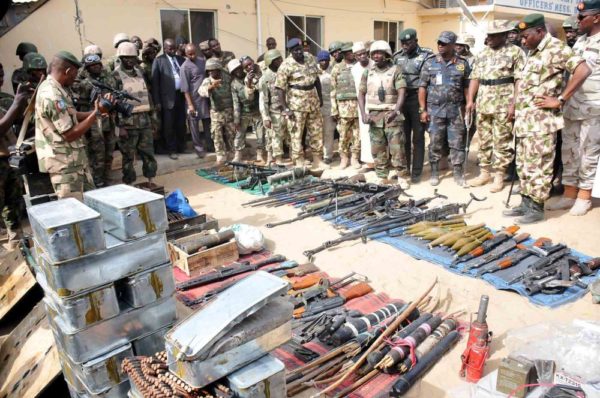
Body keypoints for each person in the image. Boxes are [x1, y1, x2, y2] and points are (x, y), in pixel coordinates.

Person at [502, 13, 591, 224]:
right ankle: (526, 203)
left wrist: (559, 99)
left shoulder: (557, 49)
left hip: (541, 122)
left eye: (526, 36)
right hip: (525, 120)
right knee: (524, 164)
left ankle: (536, 208)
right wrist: (515, 105)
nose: (523, 41)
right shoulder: (532, 52)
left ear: (540, 31)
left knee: (538, 165)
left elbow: (583, 70)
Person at [548, 1, 600, 216]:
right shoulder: (579, 41)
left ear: (596, 17)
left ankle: (584, 197)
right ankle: (569, 194)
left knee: (588, 153)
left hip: (594, 107)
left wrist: (560, 98)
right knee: (568, 151)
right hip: (572, 107)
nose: (577, 22)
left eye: (582, 17)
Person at [35, 51, 108, 199]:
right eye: (74, 75)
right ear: (67, 71)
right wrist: (94, 115)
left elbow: (73, 115)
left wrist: (97, 111)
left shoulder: (58, 88)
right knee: (75, 213)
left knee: (92, 204)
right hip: (64, 166)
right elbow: (69, 134)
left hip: (75, 162)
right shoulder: (52, 95)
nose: (76, 79)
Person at [467, 20, 525, 193]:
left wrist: (514, 104)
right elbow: (475, 77)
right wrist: (471, 100)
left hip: (503, 103)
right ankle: (484, 172)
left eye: (493, 35)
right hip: (484, 102)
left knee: (502, 141)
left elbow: (519, 80)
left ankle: (499, 175)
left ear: (504, 35)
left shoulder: (516, 52)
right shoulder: (482, 53)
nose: (489, 38)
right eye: (488, 35)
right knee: (483, 140)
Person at [419, 31, 471, 187]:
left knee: (457, 142)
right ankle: (434, 172)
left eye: (444, 43)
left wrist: (468, 103)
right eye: (439, 43)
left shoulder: (462, 63)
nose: (440, 46)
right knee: (435, 142)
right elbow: (422, 87)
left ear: (453, 45)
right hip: (435, 110)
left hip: (455, 110)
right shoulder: (430, 62)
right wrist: (423, 110)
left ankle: (457, 172)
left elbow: (466, 86)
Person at [358, 40, 409, 188]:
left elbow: (402, 92)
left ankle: (402, 176)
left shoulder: (396, 70)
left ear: (387, 54)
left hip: (391, 115)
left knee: (397, 148)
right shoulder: (368, 72)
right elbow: (361, 94)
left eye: (379, 53)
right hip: (374, 116)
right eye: (374, 53)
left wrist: (396, 110)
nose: (376, 56)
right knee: (377, 149)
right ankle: (382, 176)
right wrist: (363, 113)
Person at [275, 38, 327, 169]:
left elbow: (316, 80)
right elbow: (279, 89)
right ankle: (299, 160)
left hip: (313, 101)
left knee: (316, 131)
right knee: (296, 133)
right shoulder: (286, 65)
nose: (299, 52)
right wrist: (285, 108)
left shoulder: (310, 58)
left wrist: (320, 97)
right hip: (296, 104)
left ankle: (317, 159)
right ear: (290, 51)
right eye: (295, 50)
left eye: (300, 49)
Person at [113, 42, 157, 185]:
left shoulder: (140, 72)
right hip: (127, 123)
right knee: (128, 157)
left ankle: (150, 181)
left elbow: (147, 95)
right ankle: (129, 184)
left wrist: (153, 120)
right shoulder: (115, 76)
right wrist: (119, 127)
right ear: (120, 58)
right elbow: (113, 104)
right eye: (126, 58)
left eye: (132, 57)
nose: (130, 60)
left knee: (148, 154)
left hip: (144, 121)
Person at [393, 28, 433, 182]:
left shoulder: (426, 55)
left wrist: (424, 107)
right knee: (403, 137)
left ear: (416, 41)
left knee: (418, 137)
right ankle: (405, 169)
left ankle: (417, 171)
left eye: (408, 43)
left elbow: (426, 80)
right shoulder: (397, 57)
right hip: (401, 99)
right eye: (402, 43)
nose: (405, 46)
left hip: (418, 98)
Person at [75, 53, 118, 187]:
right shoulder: (82, 82)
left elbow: (114, 90)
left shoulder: (107, 78)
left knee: (109, 152)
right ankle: (97, 182)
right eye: (91, 66)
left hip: (108, 121)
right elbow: (78, 90)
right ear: (87, 68)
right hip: (93, 122)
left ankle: (107, 179)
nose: (95, 68)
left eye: (97, 64)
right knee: (97, 154)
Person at [0, 64, 31, 247]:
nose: (0, 79)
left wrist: (24, 102)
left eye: (1, 75)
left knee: (14, 203)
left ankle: (16, 240)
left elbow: (16, 120)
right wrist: (17, 102)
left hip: (7, 158)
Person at [152, 38, 187, 159]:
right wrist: (157, 101)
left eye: (174, 48)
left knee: (181, 124)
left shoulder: (181, 59)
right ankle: (171, 149)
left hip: (181, 96)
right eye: (170, 48)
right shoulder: (159, 61)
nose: (173, 50)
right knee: (169, 126)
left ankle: (181, 147)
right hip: (167, 99)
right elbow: (155, 83)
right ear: (165, 48)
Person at [199, 59, 235, 166]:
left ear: (218, 69)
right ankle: (220, 157)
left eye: (212, 70)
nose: (210, 72)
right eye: (208, 71)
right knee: (217, 134)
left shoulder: (227, 77)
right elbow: (201, 91)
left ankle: (233, 154)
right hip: (216, 113)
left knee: (231, 133)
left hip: (229, 111)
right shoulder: (208, 80)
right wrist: (211, 87)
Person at [331, 42, 360, 169]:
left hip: (358, 107)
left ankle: (355, 158)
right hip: (343, 109)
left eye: (352, 52)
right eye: (348, 52)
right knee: (343, 135)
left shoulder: (358, 67)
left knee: (357, 135)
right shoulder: (337, 68)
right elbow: (332, 90)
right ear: (343, 54)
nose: (351, 54)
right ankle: (344, 158)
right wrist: (334, 109)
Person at [230, 58, 265, 163]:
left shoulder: (252, 76)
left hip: (256, 110)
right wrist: (236, 119)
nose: (238, 71)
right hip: (244, 111)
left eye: (239, 69)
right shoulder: (234, 84)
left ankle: (260, 154)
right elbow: (235, 102)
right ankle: (238, 154)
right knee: (240, 133)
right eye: (235, 70)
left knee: (260, 133)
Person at [180, 43, 210, 158]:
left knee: (208, 124)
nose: (192, 56)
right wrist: (190, 105)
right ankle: (199, 149)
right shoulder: (185, 67)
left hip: (204, 99)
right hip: (193, 101)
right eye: (189, 54)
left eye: (193, 53)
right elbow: (185, 89)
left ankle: (210, 145)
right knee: (194, 126)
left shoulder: (202, 61)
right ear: (185, 54)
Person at [259, 49, 287, 165]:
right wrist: (265, 117)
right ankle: (278, 160)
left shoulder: (284, 73)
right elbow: (263, 99)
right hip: (274, 112)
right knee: (276, 138)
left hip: (287, 111)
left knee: (290, 137)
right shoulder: (265, 78)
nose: (281, 61)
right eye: (277, 60)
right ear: (270, 61)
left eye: (280, 58)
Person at [351, 42, 374, 168]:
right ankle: (370, 162)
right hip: (363, 104)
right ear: (355, 57)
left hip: (377, 102)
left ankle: (382, 160)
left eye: (364, 53)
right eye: (359, 54)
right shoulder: (354, 69)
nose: (362, 56)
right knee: (365, 132)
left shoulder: (375, 64)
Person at [316, 50, 335, 164]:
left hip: (329, 105)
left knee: (328, 131)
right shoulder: (314, 71)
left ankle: (328, 155)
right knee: (316, 132)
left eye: (326, 60)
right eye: (321, 60)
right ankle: (317, 155)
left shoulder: (333, 71)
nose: (324, 62)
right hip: (316, 106)